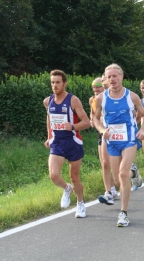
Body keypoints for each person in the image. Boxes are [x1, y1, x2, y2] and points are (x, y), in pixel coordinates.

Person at [93, 63, 144, 227]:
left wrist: (143, 130)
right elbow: (95, 118)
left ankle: (123, 213)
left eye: (115, 76)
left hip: (129, 139)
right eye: (109, 77)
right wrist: (102, 130)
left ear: (122, 77)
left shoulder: (132, 97)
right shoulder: (101, 98)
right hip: (112, 142)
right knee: (118, 179)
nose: (112, 79)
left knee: (122, 175)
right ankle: (134, 172)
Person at [43, 69, 91, 218]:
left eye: (58, 82)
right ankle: (66, 189)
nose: (55, 85)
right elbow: (49, 119)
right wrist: (49, 137)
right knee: (54, 175)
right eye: (52, 83)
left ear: (64, 83)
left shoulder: (73, 100)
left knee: (74, 177)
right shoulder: (48, 101)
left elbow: (87, 122)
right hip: (57, 142)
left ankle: (80, 204)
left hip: (73, 142)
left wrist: (73, 126)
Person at [89, 78, 119, 205]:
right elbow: (92, 114)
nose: (96, 90)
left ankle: (132, 171)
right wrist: (93, 121)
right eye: (94, 88)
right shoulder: (93, 100)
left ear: (104, 87)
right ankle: (110, 192)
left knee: (117, 167)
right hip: (102, 133)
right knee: (105, 164)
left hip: (116, 133)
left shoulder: (110, 98)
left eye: (98, 87)